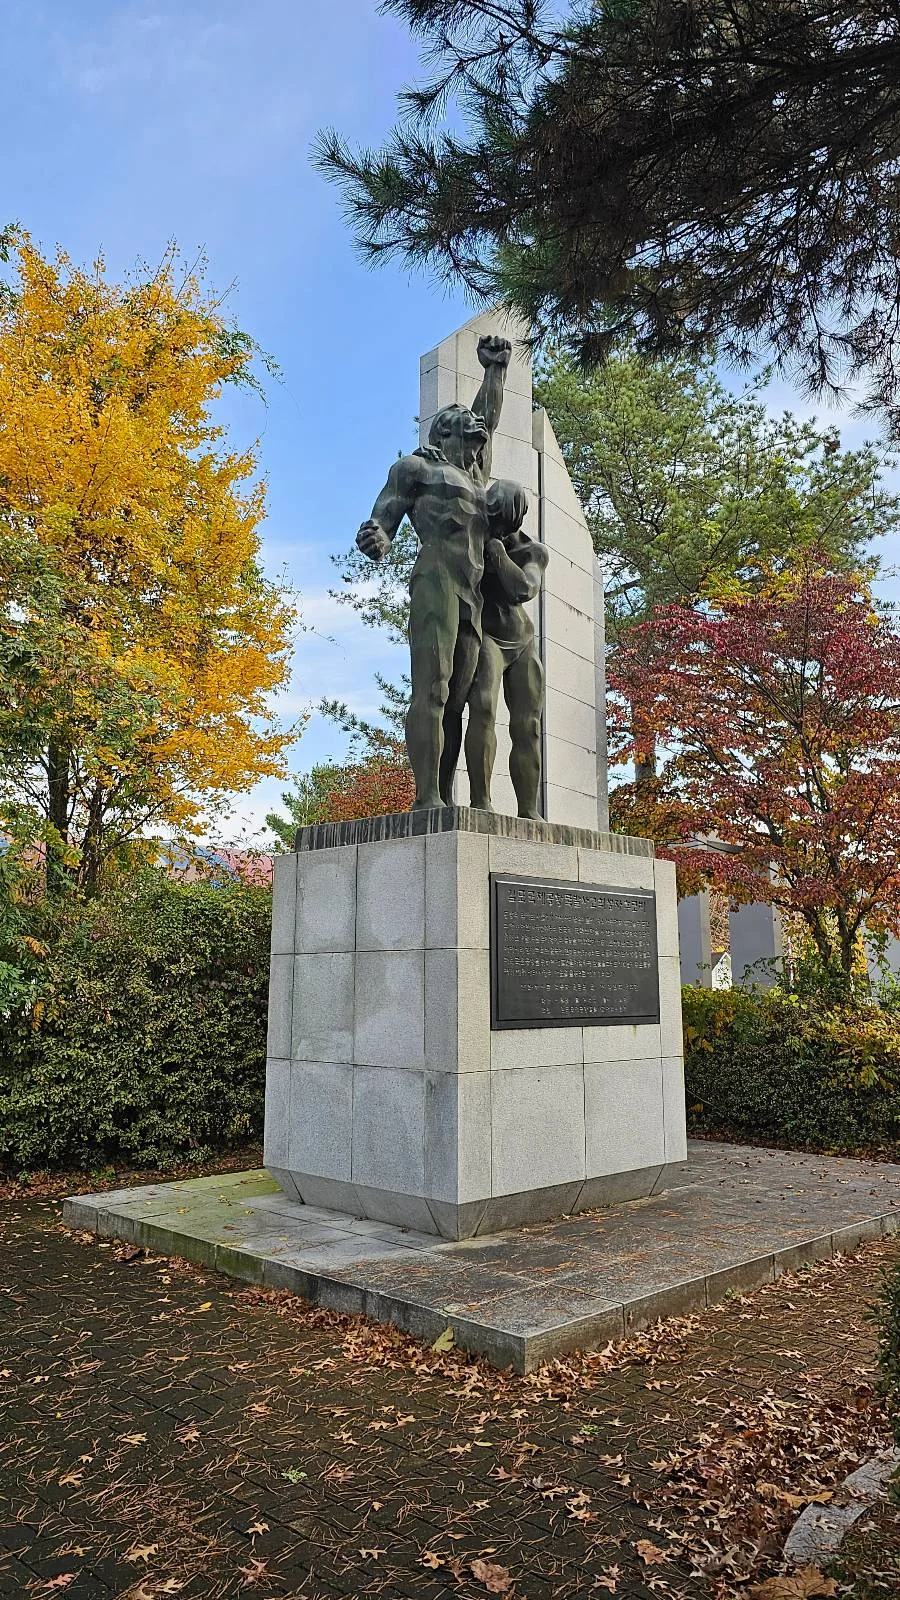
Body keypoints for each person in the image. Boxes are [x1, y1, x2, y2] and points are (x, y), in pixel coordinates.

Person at [355, 334, 513, 810]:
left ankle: (443, 794)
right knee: (433, 688)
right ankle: (427, 798)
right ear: (444, 431)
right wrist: (378, 536)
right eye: (466, 424)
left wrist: (495, 370)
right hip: (435, 579)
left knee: (458, 700)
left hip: (471, 594)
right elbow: (384, 514)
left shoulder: (475, 476)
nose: (477, 430)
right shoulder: (416, 468)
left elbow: (488, 417)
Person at [465, 478, 549, 819]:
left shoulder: (533, 552)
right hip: (487, 635)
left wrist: (498, 554)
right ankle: (481, 802)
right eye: (494, 520)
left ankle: (529, 810)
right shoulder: (473, 539)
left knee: (529, 726)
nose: (498, 528)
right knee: (483, 708)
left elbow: (523, 589)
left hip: (522, 640)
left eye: (505, 523)